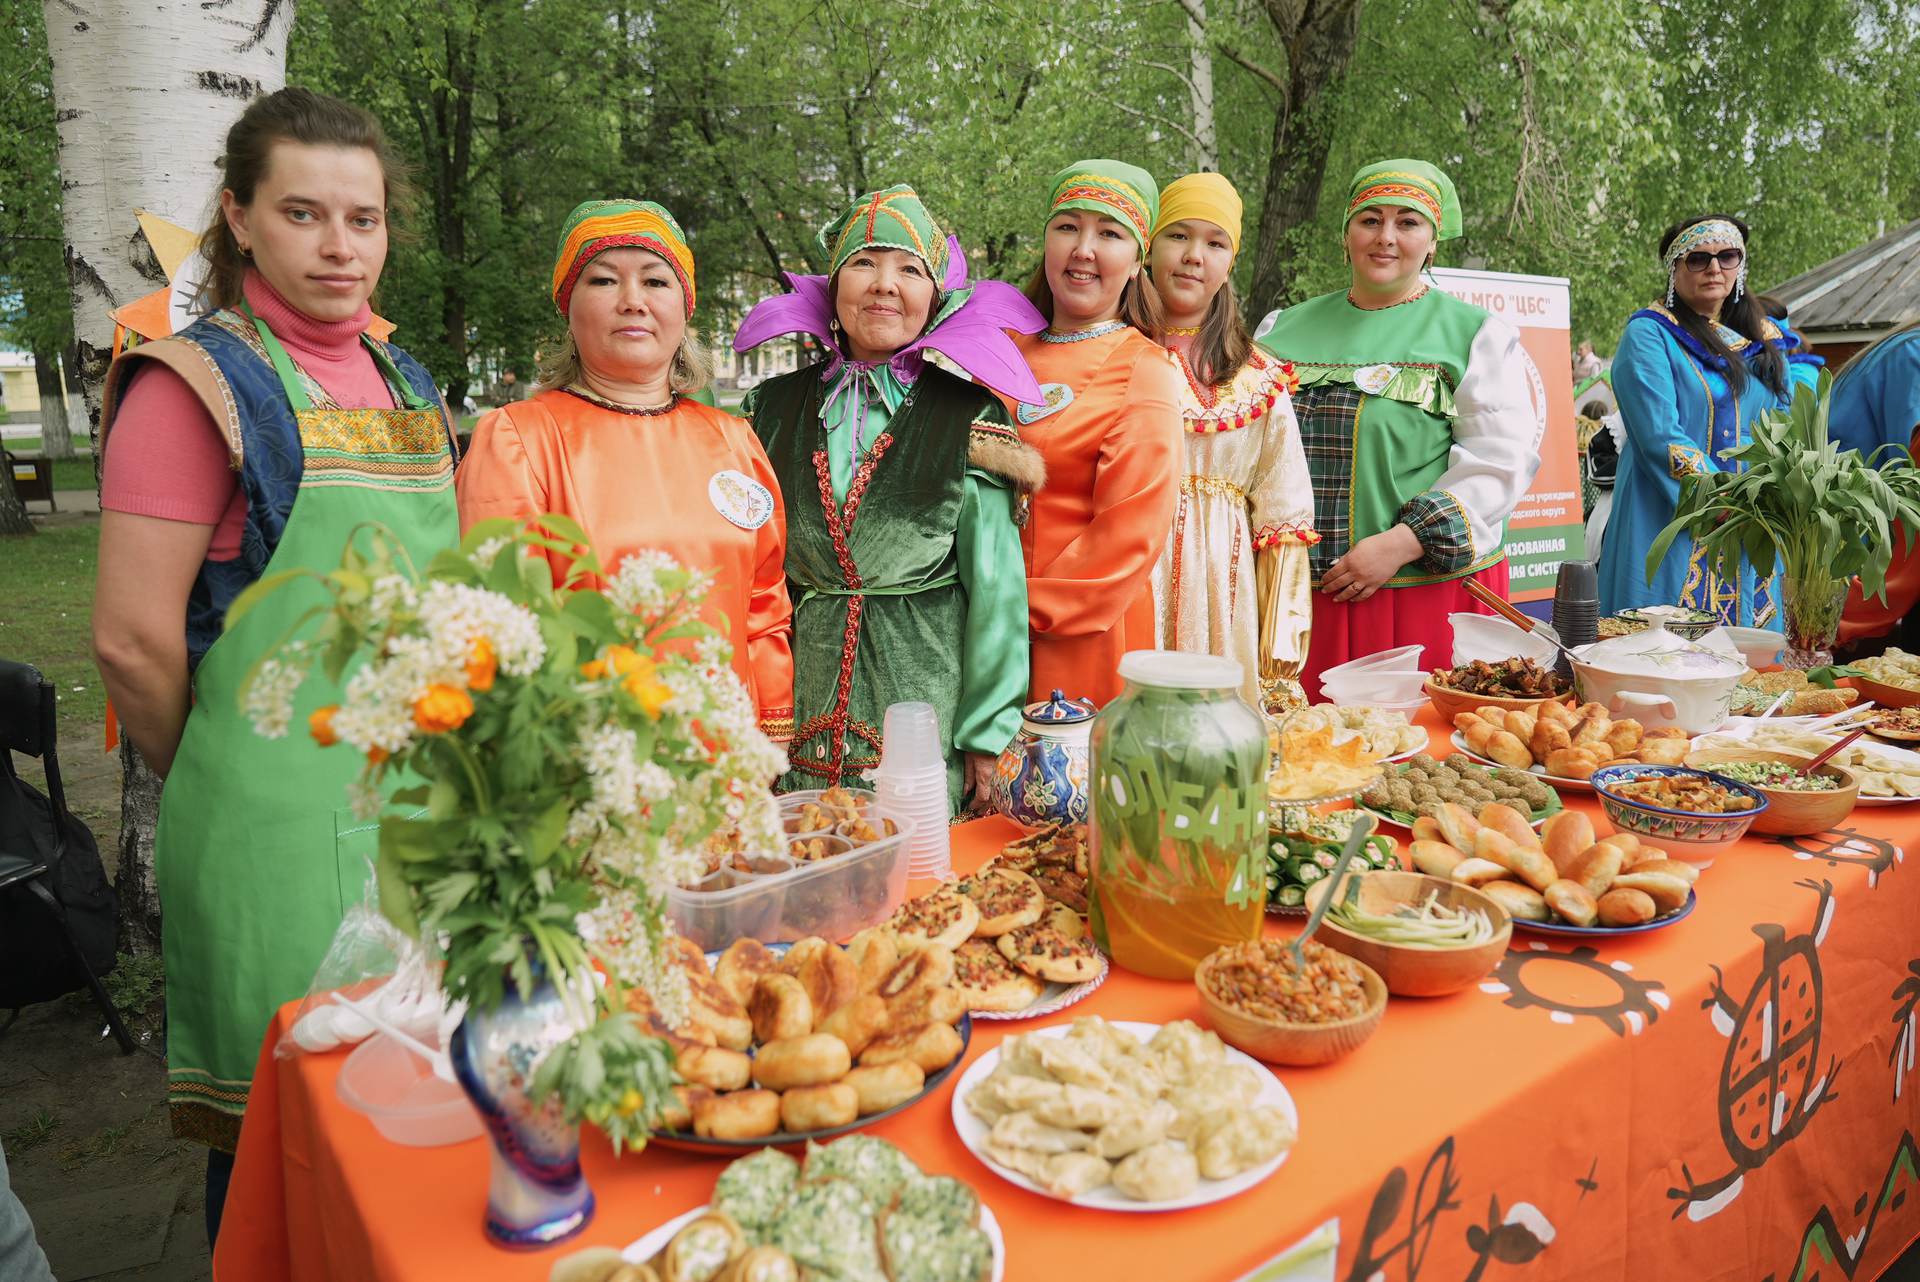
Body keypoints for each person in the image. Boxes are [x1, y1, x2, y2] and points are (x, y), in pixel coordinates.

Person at [90, 88, 458, 1239]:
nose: (340, 245)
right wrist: (222, 767)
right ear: (240, 219)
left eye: (363, 218)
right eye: (304, 214)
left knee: (414, 1110)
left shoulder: (408, 382)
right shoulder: (190, 386)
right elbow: (132, 640)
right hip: (271, 837)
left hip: (413, 817)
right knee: (285, 1138)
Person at [734, 185, 1045, 809]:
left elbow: (997, 590)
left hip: (922, 709)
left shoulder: (968, 416)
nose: (884, 285)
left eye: (909, 270)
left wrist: (987, 735)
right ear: (833, 285)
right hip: (791, 715)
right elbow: (747, 576)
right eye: (864, 263)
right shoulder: (769, 409)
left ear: (934, 298)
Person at [457, 199, 794, 740]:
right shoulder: (518, 439)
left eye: (656, 281)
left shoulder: (733, 440)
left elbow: (763, 603)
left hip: (728, 757)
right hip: (591, 758)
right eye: (604, 280)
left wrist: (771, 735)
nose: (633, 301)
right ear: (568, 307)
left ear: (685, 309)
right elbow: (501, 625)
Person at [1255, 160, 1538, 697]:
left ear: (1432, 242)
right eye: (1370, 220)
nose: (1386, 237)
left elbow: (1500, 461)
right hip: (1291, 597)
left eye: (1407, 222)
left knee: (1409, 741)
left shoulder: (1473, 334)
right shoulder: (1279, 330)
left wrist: (1402, 542)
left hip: (1414, 589)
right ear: (1346, 235)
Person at [1010, 160, 1183, 706]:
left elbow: (1127, 536)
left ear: (1137, 262)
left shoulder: (1143, 369)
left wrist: (1006, 610)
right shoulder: (999, 349)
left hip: (1075, 634)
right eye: (1068, 227)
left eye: (1109, 234)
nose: (1083, 249)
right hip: (969, 630)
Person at [1143, 172, 1316, 715]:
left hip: (1225, 587)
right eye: (1178, 235)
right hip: (1132, 573)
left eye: (1215, 243)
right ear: (1148, 246)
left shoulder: (1259, 379)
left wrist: (1279, 659)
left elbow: (1284, 521)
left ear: (1230, 263)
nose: (1194, 256)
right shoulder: (1113, 354)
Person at [1597, 215, 1814, 627]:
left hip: (1755, 525)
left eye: (1727, 256)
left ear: (1740, 267)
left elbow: (1785, 428)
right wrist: (1729, 504)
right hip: (1669, 517)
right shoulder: (1649, 334)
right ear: (1674, 270)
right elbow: (1660, 436)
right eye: (1698, 258)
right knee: (1666, 649)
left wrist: (1781, 498)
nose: (1714, 268)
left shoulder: (1763, 343)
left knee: (1753, 655)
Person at [1834, 320, 1920, 647]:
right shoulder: (1913, 352)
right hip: (1858, 551)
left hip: (1864, 549)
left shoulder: (1906, 346)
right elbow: (1909, 477)